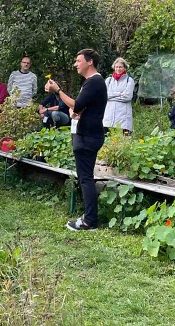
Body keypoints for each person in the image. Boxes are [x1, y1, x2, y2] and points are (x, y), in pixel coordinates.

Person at [45, 48, 107, 232]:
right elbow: (78, 109)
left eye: (78, 61)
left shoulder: (94, 81)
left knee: (86, 178)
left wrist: (58, 90)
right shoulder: (92, 82)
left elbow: (77, 104)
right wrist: (75, 111)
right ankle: (89, 217)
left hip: (88, 136)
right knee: (85, 178)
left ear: (90, 62)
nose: (75, 64)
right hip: (87, 134)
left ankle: (90, 221)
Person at [103, 58, 134, 135]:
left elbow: (127, 97)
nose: (118, 69)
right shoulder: (108, 80)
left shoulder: (129, 80)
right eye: (116, 67)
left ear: (125, 68)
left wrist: (111, 96)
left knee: (124, 140)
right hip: (108, 119)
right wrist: (119, 94)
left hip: (124, 119)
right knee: (106, 140)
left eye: (120, 67)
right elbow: (104, 95)